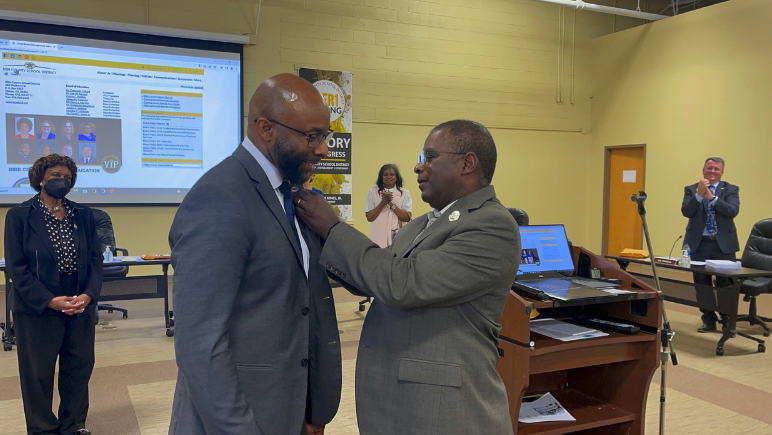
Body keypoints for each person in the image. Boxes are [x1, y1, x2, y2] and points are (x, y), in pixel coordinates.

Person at [295, 119, 520, 434]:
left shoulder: (492, 225)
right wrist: (317, 234)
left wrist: (333, 228)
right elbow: (372, 278)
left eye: (429, 157)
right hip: (400, 406)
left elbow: (402, 283)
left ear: (468, 163)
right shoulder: (421, 224)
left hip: (445, 413)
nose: (417, 166)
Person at [167, 73, 341, 435]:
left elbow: (299, 306)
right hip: (237, 420)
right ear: (266, 128)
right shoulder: (220, 197)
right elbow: (201, 346)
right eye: (313, 136)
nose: (323, 149)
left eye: (325, 136)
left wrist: (308, 409)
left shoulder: (288, 196)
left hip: (286, 411)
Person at [4, 154, 102, 435]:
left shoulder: (84, 215)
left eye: (68, 177)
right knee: (38, 373)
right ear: (40, 179)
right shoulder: (19, 216)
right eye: (56, 175)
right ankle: (43, 429)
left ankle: (73, 425)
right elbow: (16, 267)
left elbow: (96, 261)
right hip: (37, 306)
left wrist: (88, 295)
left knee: (79, 367)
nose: (63, 180)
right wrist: (48, 300)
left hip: (78, 302)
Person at [681, 157, 740, 333]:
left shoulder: (730, 189)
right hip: (699, 244)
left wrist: (712, 198)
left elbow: (732, 211)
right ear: (703, 170)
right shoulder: (691, 190)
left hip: (723, 245)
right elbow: (686, 211)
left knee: (726, 285)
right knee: (702, 284)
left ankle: (728, 320)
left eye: (716, 169)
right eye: (709, 168)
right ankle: (708, 319)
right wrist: (699, 195)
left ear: (722, 172)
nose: (712, 172)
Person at [365, 164, 412, 247]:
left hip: (397, 236)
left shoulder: (405, 193)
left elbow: (407, 218)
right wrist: (383, 202)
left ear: (397, 177)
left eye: (392, 174)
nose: (389, 177)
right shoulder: (373, 192)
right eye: (385, 175)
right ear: (381, 177)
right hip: (378, 235)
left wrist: (390, 204)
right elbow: (369, 217)